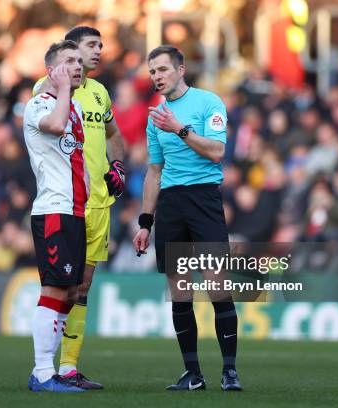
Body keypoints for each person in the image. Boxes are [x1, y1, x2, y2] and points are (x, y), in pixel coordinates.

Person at [133, 45, 242, 391]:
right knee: (180, 292)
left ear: (181, 70)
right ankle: (193, 374)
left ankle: (229, 371)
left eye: (163, 69)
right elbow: (154, 170)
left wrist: (179, 128)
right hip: (172, 205)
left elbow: (217, 153)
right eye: (152, 72)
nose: (157, 77)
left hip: (205, 199)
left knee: (217, 285)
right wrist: (145, 221)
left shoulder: (209, 103)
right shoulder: (156, 117)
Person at [33, 25, 126, 390]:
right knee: (61, 286)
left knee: (82, 287)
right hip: (64, 202)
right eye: (90, 46)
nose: (98, 51)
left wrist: (116, 165)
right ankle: (45, 366)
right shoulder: (47, 92)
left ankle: (68, 367)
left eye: (100, 45)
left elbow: (115, 134)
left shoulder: (101, 94)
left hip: (98, 203)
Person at [24, 40, 88, 393]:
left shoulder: (73, 107)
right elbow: (54, 126)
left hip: (75, 211)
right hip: (53, 209)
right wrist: (63, 89)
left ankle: (54, 371)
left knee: (71, 292)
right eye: (68, 62)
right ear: (51, 71)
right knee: (53, 289)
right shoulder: (39, 105)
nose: (77, 66)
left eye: (79, 61)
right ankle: (43, 372)